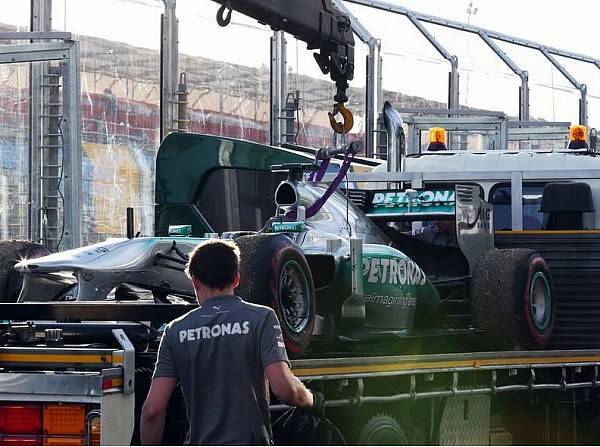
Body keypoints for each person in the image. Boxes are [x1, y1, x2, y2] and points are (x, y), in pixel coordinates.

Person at [140, 239, 323, 445]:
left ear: (195, 282)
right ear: (236, 279)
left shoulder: (175, 331)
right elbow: (284, 390)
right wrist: (312, 400)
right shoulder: (261, 318)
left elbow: (153, 409)